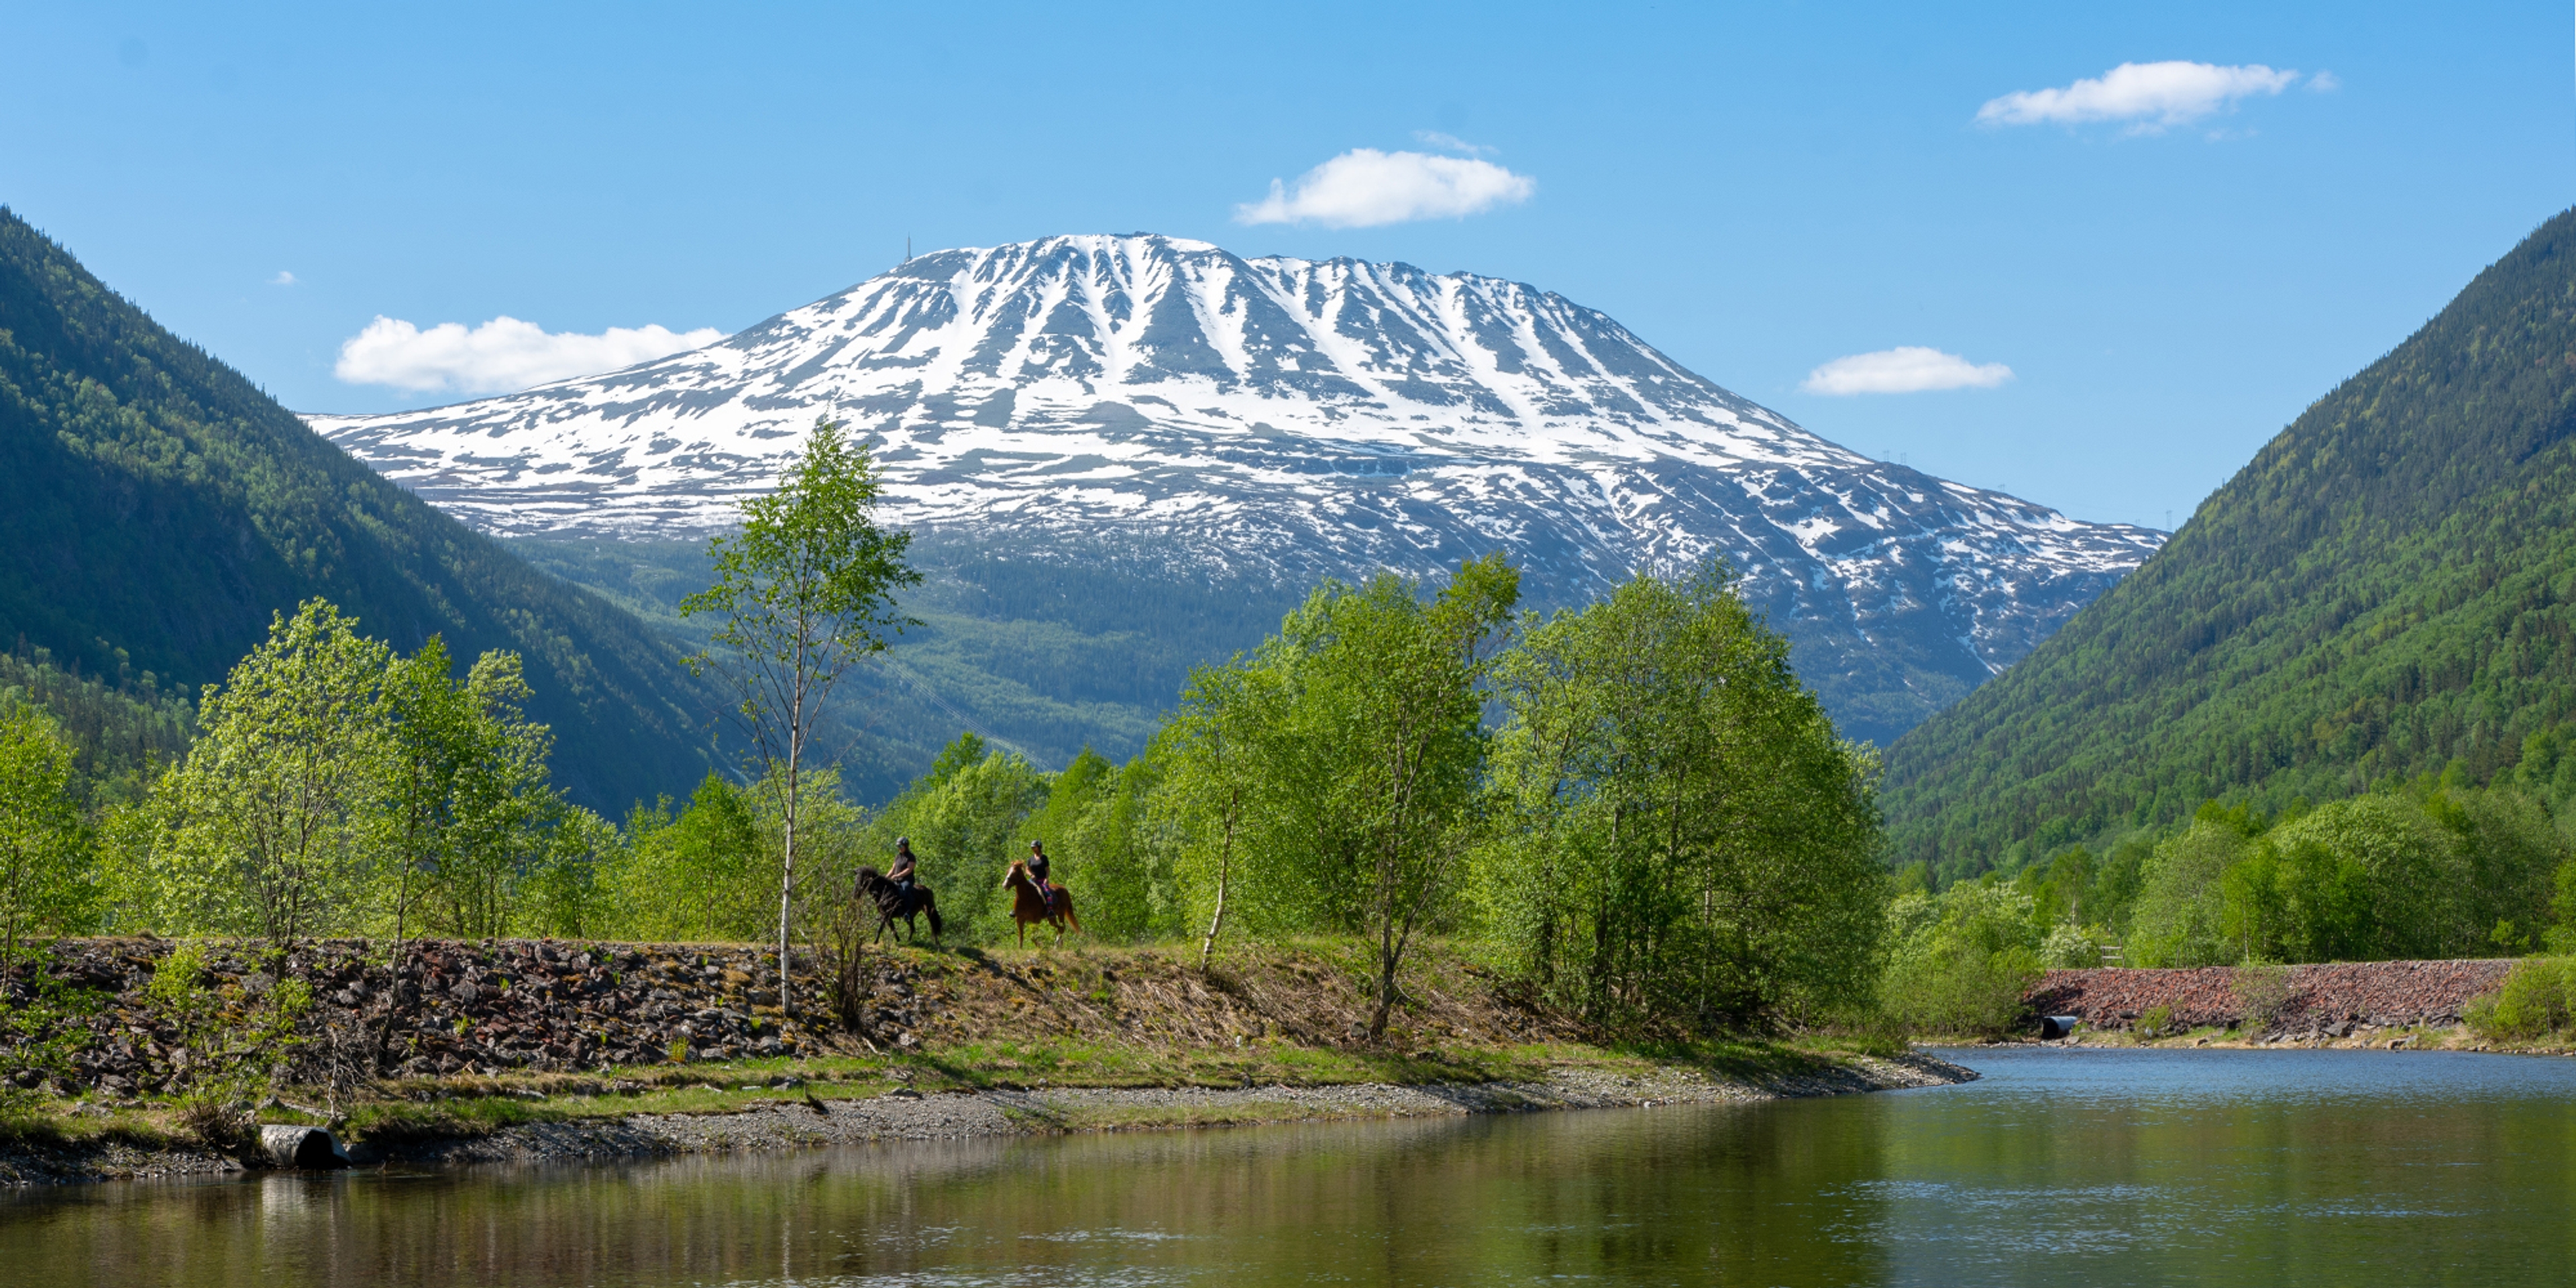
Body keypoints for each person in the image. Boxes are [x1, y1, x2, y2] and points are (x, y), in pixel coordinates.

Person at [1026, 839, 1057, 916]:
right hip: (1033, 880)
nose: (1034, 849)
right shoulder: (1030, 859)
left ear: (1039, 847)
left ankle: (1050, 910)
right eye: (1032, 848)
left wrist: (1046, 879)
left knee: (1048, 894)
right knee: (1023, 891)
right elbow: (1027, 869)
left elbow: (1047, 870)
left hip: (1042, 880)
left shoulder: (1044, 858)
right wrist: (1031, 875)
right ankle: (1016, 909)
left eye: (1035, 847)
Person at [888, 837, 918, 911]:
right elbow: (893, 869)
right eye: (898, 846)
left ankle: (907, 912)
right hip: (897, 880)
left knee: (906, 889)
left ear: (906, 846)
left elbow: (909, 870)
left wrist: (897, 875)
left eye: (901, 846)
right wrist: (885, 877)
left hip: (907, 880)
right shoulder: (898, 857)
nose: (899, 848)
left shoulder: (911, 857)